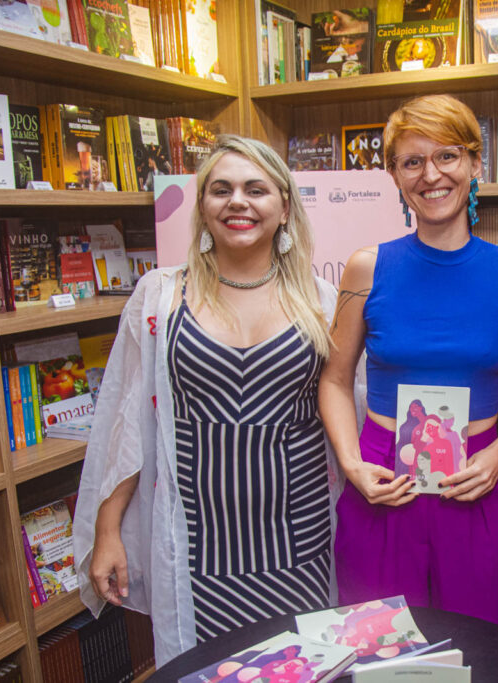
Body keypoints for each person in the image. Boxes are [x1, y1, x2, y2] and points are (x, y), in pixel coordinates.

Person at [72, 135, 339, 666]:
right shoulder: (159, 296)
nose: (238, 201)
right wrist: (107, 531)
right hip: (195, 543)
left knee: (304, 667)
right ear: (202, 207)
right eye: (221, 190)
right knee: (207, 671)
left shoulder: (322, 301)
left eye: (256, 189)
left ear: (285, 207)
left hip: (302, 539)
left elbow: (349, 411)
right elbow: (127, 421)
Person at [318, 94, 498, 631]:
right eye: (412, 161)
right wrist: (351, 464)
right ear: (394, 175)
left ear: (475, 163)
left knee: (482, 646)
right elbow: (335, 380)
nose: (431, 175)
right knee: (379, 648)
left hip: (476, 479)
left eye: (447, 156)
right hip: (382, 481)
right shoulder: (367, 268)